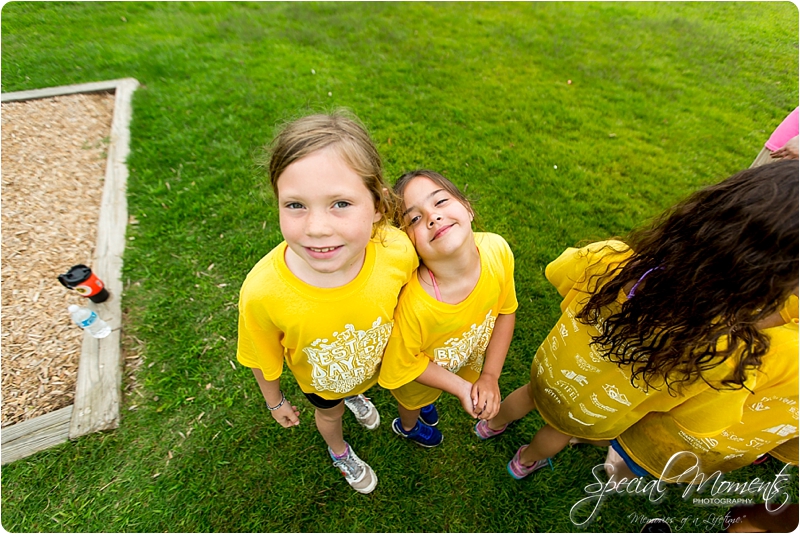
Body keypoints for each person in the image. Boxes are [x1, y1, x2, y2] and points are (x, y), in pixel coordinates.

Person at [476, 160, 799, 480]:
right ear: (767, 283)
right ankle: (525, 461)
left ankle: (491, 424)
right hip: (595, 414)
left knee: (529, 394)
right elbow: (702, 421)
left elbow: (558, 271)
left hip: (549, 372)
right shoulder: (726, 354)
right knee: (556, 431)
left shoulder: (610, 259)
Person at [236, 111, 418, 494]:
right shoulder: (262, 291)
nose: (317, 228)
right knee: (329, 414)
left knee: (356, 382)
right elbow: (260, 357)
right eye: (296, 205)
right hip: (322, 383)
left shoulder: (397, 251)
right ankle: (339, 451)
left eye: (340, 203)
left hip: (371, 363)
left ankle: (358, 393)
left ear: (379, 206)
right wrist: (275, 403)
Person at [378, 170, 517, 446]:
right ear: (409, 244)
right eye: (414, 218)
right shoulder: (414, 305)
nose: (433, 217)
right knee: (414, 403)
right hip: (416, 379)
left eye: (440, 202)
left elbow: (506, 311)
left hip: (460, 363)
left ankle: (428, 404)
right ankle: (408, 426)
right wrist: (460, 387)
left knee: (431, 396)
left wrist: (490, 375)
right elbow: (403, 365)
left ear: (468, 208)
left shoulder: (497, 250)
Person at [610, 292, 797, 482]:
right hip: (746, 438)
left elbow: (702, 414)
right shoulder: (786, 332)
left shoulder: (775, 349)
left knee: (640, 456)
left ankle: (618, 474)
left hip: (692, 429)